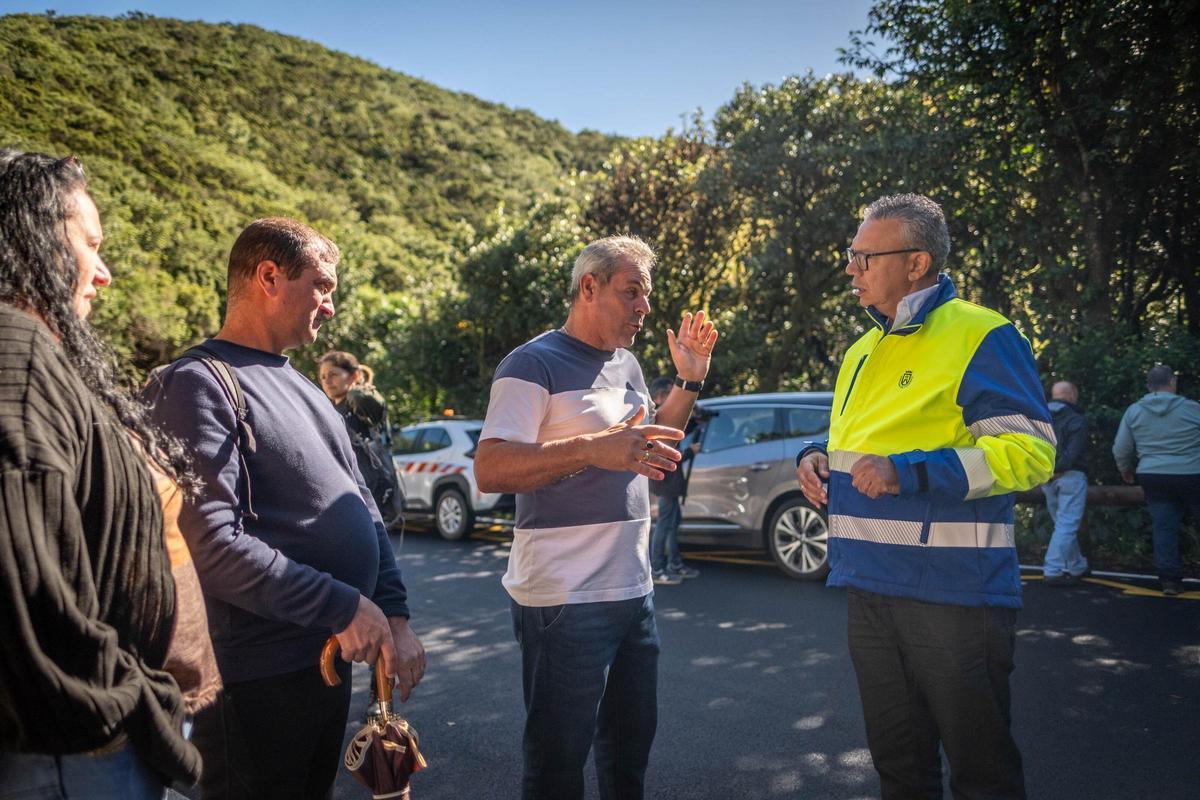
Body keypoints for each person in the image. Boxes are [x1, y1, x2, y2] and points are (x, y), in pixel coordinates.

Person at [145, 217, 426, 799]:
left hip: (321, 669)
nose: (329, 307)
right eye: (321, 287)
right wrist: (342, 605)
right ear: (268, 276)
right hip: (249, 684)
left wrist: (393, 616)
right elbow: (212, 544)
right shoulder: (198, 383)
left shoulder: (305, 388)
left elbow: (364, 507)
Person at [796, 194, 1055, 800]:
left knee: (982, 775)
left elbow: (1031, 453)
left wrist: (909, 472)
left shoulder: (982, 333)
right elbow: (853, 444)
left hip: (955, 594)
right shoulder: (861, 350)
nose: (851, 268)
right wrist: (814, 455)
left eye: (865, 256)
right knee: (899, 771)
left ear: (916, 263)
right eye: (850, 255)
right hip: (868, 586)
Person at [474, 235, 718, 800]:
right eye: (632, 292)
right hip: (562, 599)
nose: (644, 308)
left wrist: (689, 380)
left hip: (634, 593)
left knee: (628, 761)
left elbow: (653, 443)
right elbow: (490, 468)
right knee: (558, 770)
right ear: (589, 287)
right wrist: (588, 448)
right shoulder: (531, 362)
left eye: (647, 296)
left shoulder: (627, 364)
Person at [0, 150, 201, 795]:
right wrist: (138, 709)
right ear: (34, 234)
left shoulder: (34, 357)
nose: (104, 272)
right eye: (92, 243)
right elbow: (24, 591)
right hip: (70, 756)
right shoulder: (17, 353)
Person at [1113, 365, 1200, 596]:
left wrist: (1126, 470)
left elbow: (1121, 448)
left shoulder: (1134, 411)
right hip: (1192, 473)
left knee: (1164, 527)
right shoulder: (1193, 409)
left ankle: (1169, 581)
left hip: (1153, 474)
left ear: (1148, 386)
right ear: (1173, 382)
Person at [318, 349, 403, 526]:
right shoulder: (331, 409)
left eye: (333, 374)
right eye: (323, 376)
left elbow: (374, 405)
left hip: (371, 494)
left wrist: (360, 390)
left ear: (353, 375)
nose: (327, 381)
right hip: (347, 493)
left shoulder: (358, 401)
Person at [647, 376, 700, 585]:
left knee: (672, 524)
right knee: (663, 525)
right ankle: (657, 568)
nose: (675, 396)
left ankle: (674, 564)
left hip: (670, 482)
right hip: (665, 481)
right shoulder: (657, 418)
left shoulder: (667, 416)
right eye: (670, 392)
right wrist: (689, 451)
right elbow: (664, 452)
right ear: (660, 397)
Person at [1041, 380, 1091, 586]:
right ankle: (1052, 569)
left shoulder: (1041, 418)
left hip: (1046, 477)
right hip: (1070, 476)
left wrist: (1047, 470)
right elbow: (1074, 451)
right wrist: (1060, 469)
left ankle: (1077, 565)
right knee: (1067, 524)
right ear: (1072, 396)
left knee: (1062, 524)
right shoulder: (1076, 420)